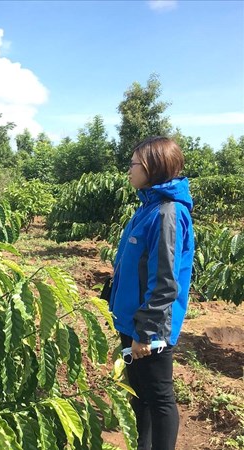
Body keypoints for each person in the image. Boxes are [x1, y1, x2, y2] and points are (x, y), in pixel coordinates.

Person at [109, 136, 195, 450]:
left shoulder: (167, 213)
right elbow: (132, 264)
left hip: (149, 328)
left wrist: (146, 332)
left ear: (152, 167)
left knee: (159, 398)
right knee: (140, 395)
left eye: (133, 164)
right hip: (132, 321)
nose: (129, 170)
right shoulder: (148, 207)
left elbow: (165, 280)